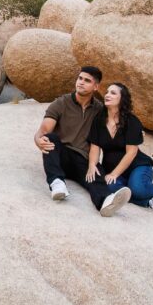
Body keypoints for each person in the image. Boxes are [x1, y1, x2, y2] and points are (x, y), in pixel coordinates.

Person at [34, 66, 131, 216]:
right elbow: (44, 130)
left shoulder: (99, 110)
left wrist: (135, 130)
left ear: (96, 86)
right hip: (62, 157)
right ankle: (57, 183)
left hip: (83, 160)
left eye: (87, 80)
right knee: (50, 138)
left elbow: (118, 120)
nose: (81, 83)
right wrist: (37, 140)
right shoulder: (61, 103)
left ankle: (105, 203)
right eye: (80, 78)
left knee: (96, 172)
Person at [86, 82, 153, 215]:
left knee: (136, 188)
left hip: (138, 165)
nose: (107, 95)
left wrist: (114, 174)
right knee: (111, 188)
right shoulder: (99, 119)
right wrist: (92, 164)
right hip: (113, 168)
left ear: (122, 99)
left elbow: (131, 153)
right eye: (107, 92)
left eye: (113, 93)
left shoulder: (131, 121)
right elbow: (95, 147)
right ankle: (150, 201)